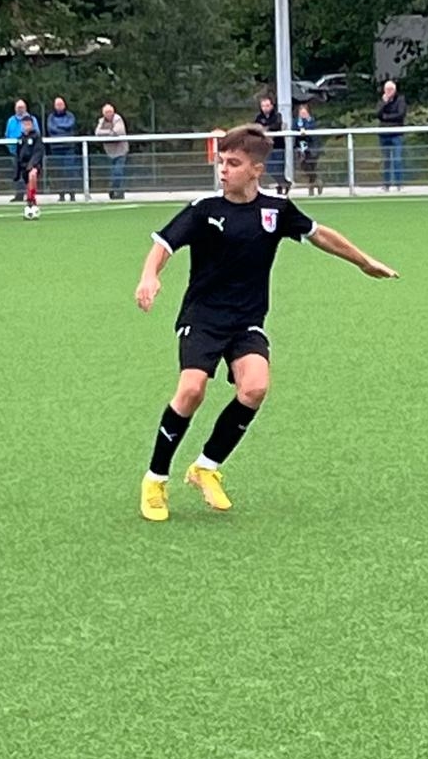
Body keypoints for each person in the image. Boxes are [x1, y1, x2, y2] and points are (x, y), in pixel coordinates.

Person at [133, 124, 398, 522]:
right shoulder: (204, 209)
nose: (223, 170)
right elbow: (164, 245)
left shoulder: (276, 210)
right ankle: (155, 480)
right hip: (203, 319)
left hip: (246, 321)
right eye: (222, 162)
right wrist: (149, 276)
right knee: (191, 390)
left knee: (255, 387)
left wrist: (364, 262)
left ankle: (205, 467)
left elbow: (320, 235)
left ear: (256, 169)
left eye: (233, 163)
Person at [46, 96, 79, 200]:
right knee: (58, 172)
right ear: (54, 106)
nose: (59, 106)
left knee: (70, 171)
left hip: (69, 147)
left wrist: (59, 127)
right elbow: (51, 128)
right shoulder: (51, 117)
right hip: (56, 148)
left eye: (61, 104)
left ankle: (72, 193)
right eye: (57, 104)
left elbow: (70, 125)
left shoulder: (70, 116)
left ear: (64, 105)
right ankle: (61, 194)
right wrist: (63, 129)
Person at [377, 80, 407, 191]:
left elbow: (400, 114)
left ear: (395, 90)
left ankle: (399, 184)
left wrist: (386, 117)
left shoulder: (401, 100)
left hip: (396, 134)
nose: (388, 91)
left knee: (397, 159)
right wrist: (384, 103)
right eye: (386, 89)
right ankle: (386, 185)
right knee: (386, 161)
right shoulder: (382, 100)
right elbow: (378, 114)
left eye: (391, 89)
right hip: (384, 135)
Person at [96, 103, 129, 200]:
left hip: (121, 151)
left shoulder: (118, 119)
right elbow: (97, 132)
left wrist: (107, 133)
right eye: (106, 112)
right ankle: (118, 192)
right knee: (113, 172)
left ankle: (114, 190)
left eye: (110, 112)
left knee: (118, 171)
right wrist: (109, 132)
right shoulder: (101, 121)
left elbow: (118, 132)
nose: (108, 114)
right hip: (109, 152)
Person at [5, 99, 36, 200]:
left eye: (22, 107)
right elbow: (7, 135)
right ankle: (19, 195)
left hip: (29, 153)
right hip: (15, 152)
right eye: (18, 107)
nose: (20, 109)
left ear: (25, 108)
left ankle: (30, 195)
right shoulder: (11, 120)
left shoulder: (32, 119)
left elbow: (36, 134)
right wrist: (10, 147)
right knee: (17, 173)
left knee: (30, 174)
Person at [293, 104, 325, 195]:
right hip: (301, 148)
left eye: (304, 113)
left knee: (312, 166)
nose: (303, 114)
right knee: (304, 167)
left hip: (312, 148)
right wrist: (299, 131)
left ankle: (311, 187)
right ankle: (317, 182)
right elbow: (293, 128)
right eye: (301, 113)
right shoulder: (296, 121)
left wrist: (305, 131)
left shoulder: (312, 121)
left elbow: (313, 132)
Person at [14, 115, 44, 210]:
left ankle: (31, 199)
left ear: (32, 125)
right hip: (24, 165)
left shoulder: (36, 137)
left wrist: (32, 164)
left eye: (28, 124)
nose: (27, 126)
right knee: (28, 183)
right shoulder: (20, 139)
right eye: (25, 124)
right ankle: (31, 201)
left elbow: (38, 152)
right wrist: (17, 171)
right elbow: (18, 155)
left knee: (32, 175)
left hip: (34, 165)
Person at [254, 96, 287, 181]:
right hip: (266, 146)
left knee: (279, 167)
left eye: (267, 105)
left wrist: (266, 128)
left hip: (278, 145)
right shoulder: (259, 117)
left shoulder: (277, 115)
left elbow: (277, 125)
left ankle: (282, 184)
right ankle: (284, 183)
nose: (265, 108)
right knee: (269, 167)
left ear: (272, 106)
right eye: (263, 106)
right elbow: (256, 127)